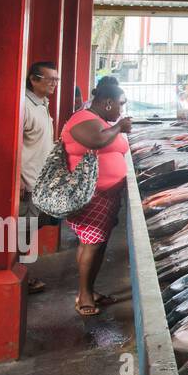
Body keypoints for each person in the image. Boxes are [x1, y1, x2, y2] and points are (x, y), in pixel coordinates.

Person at [61, 76, 131, 318]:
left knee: (93, 243)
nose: (122, 110)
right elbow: (96, 140)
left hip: (105, 194)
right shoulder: (83, 119)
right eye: (121, 104)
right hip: (92, 194)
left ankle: (89, 288)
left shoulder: (100, 119)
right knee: (92, 243)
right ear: (108, 102)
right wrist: (120, 127)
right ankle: (84, 295)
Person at [22, 61, 60, 293]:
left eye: (56, 80)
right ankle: (21, 276)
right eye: (50, 79)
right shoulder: (24, 106)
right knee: (18, 231)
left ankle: (24, 274)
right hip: (28, 184)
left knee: (29, 230)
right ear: (34, 79)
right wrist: (17, 182)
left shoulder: (42, 104)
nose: (55, 84)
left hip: (41, 183)